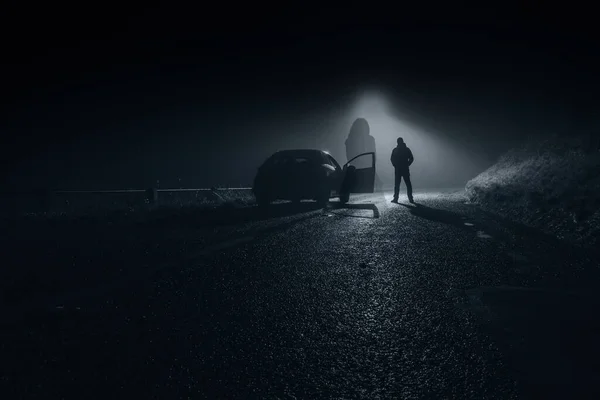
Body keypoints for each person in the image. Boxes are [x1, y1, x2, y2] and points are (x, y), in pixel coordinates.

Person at [390, 137, 414, 203]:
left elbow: (392, 159)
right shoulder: (406, 149)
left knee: (397, 185)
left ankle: (396, 198)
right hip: (405, 169)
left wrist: (395, 165)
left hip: (398, 169)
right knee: (408, 184)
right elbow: (411, 158)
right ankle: (410, 198)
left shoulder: (395, 150)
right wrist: (407, 164)